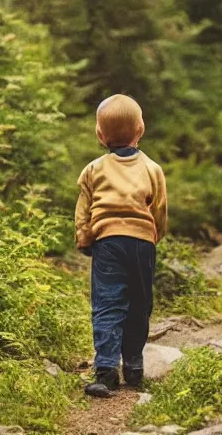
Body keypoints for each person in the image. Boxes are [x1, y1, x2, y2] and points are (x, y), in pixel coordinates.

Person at [75, 94, 168, 398]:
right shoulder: (152, 169)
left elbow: (84, 210)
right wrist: (154, 236)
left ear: (100, 135)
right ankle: (134, 367)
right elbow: (160, 210)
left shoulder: (93, 170)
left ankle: (105, 370)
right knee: (139, 304)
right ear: (140, 130)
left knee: (107, 303)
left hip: (108, 242)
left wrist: (85, 238)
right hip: (142, 243)